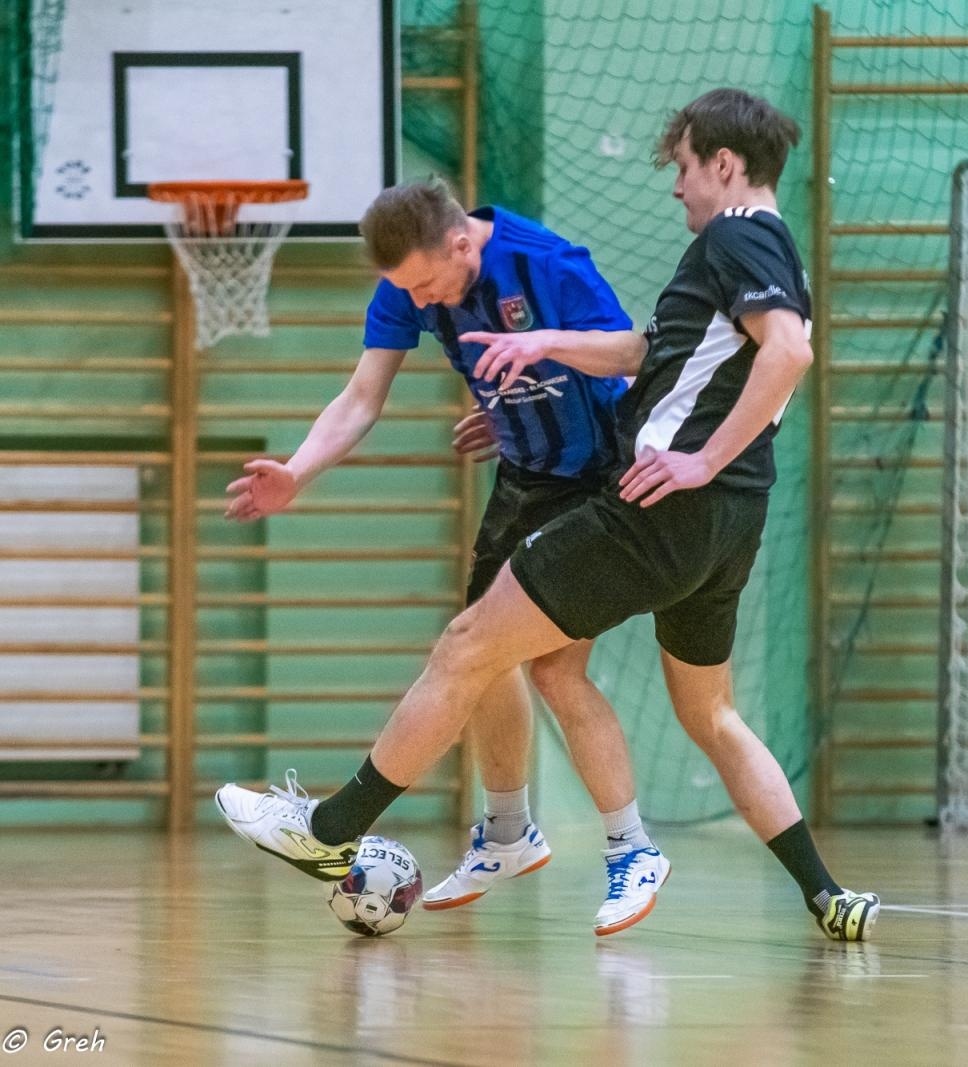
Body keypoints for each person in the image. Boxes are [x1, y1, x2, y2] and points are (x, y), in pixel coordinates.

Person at [217, 88, 879, 940]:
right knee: (693, 708)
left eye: (683, 167)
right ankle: (824, 892)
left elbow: (781, 351)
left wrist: (700, 457)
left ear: (723, 164)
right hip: (721, 518)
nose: (675, 184)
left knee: (472, 647)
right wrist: (536, 359)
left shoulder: (728, 236)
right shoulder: (750, 249)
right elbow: (650, 352)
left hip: (645, 499)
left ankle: (331, 829)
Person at [222, 179, 671, 934]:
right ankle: (509, 833)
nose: (421, 301)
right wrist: (297, 472)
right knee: (486, 659)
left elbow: (632, 353)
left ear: (463, 243)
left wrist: (545, 349)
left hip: (597, 481)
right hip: (525, 479)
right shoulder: (411, 282)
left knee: (545, 668)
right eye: (407, 290)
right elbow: (361, 397)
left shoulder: (547, 264)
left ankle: (631, 848)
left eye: (427, 285)